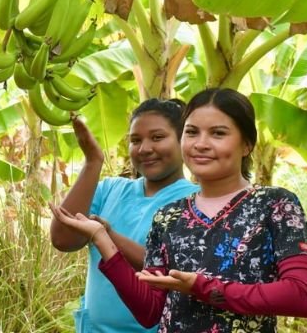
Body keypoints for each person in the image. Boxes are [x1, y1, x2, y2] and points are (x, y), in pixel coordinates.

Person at [51, 88, 307, 332]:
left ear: (247, 144)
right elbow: (149, 313)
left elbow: (303, 297)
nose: (201, 143)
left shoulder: (275, 204)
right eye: (192, 132)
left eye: (218, 133)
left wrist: (201, 288)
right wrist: (102, 238)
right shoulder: (169, 216)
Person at [49, 99, 198, 332]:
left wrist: (107, 236)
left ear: (183, 141)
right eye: (135, 140)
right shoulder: (109, 190)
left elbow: (176, 269)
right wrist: (92, 162)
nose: (144, 148)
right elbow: (63, 240)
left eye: (157, 137)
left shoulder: (197, 201)